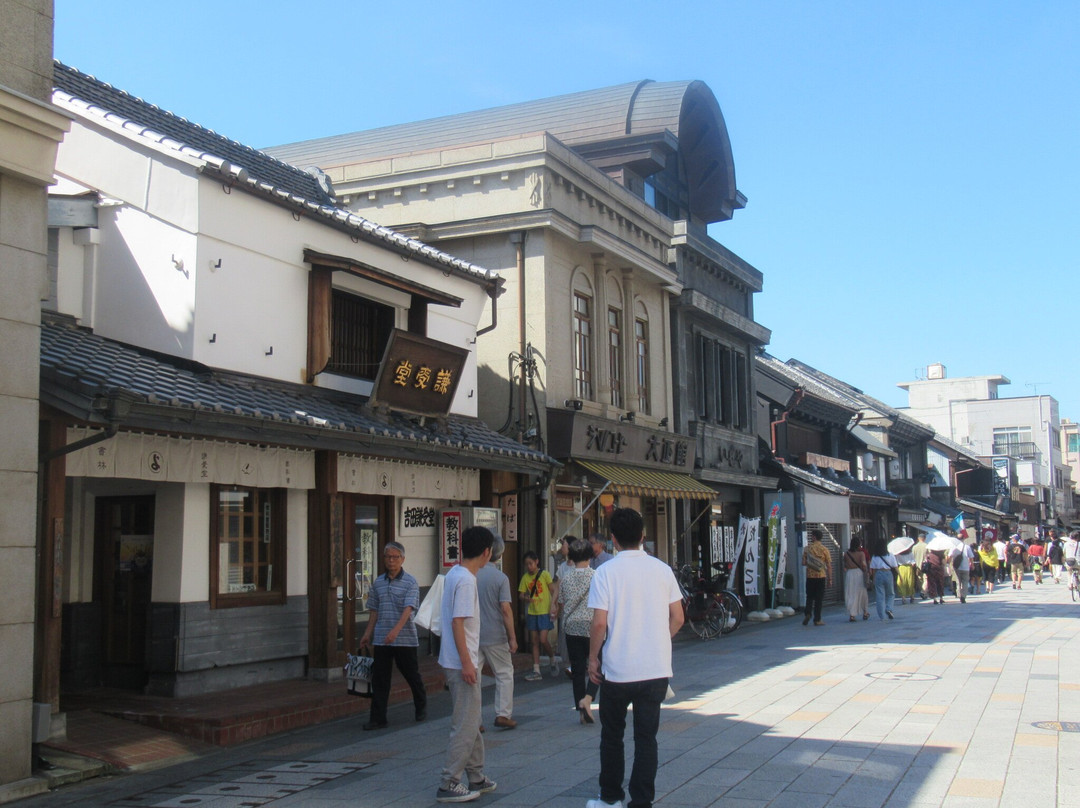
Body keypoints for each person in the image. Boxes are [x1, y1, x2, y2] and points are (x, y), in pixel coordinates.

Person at [586, 508, 683, 808]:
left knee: (612, 736)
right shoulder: (662, 570)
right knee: (646, 738)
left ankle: (611, 797)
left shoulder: (605, 572)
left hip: (618, 670)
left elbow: (599, 623)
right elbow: (678, 617)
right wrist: (657, 641)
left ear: (612, 539)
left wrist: (592, 659)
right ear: (643, 536)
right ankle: (642, 801)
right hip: (655, 671)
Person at [436, 526, 496, 803]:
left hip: (456, 660)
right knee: (465, 723)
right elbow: (457, 622)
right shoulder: (466, 580)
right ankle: (450, 781)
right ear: (486, 552)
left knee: (472, 719)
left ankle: (476, 775)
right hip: (461, 662)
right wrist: (468, 664)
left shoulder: (455, 575)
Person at [358, 541, 427, 731]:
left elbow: (408, 610)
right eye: (388, 557)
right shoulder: (378, 582)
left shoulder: (411, 582)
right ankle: (378, 718)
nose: (391, 560)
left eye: (395, 557)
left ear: (402, 559)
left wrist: (396, 631)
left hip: (404, 638)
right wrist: (367, 634)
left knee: (411, 674)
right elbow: (374, 610)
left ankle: (421, 705)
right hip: (381, 638)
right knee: (380, 678)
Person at [476, 534, 518, 731]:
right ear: (499, 555)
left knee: (473, 677)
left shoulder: (471, 574)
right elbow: (505, 609)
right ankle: (503, 713)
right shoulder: (501, 578)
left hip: (473, 634)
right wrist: (512, 637)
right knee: (504, 673)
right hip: (496, 634)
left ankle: (473, 720)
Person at [558, 536, 599, 724]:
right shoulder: (596, 576)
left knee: (577, 670)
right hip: (592, 626)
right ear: (589, 556)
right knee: (598, 665)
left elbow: (561, 602)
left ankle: (581, 712)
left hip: (571, 626)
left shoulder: (565, 578)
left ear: (572, 558)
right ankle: (588, 698)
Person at [518, 551, 555, 681]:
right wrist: (526, 598)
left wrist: (554, 606)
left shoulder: (544, 574)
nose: (529, 567)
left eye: (531, 563)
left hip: (544, 612)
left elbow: (552, 590)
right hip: (532, 612)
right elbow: (521, 594)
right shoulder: (525, 578)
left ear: (537, 562)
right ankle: (536, 669)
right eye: (527, 564)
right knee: (534, 641)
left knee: (543, 639)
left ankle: (552, 658)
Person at [550, 536, 574, 680]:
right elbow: (557, 587)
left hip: (577, 608)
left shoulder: (579, 565)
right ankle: (569, 663)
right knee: (565, 636)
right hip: (565, 607)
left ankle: (577, 664)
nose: (562, 547)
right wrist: (553, 603)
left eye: (564, 544)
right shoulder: (563, 566)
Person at [802, 528, 832, 626]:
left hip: (810, 576)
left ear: (814, 537)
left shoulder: (807, 548)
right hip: (821, 576)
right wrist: (830, 579)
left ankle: (807, 613)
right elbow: (829, 565)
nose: (811, 537)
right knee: (819, 599)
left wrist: (810, 563)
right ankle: (817, 619)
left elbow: (803, 563)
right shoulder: (825, 549)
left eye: (812, 536)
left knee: (809, 597)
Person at [868, 538, 898, 620]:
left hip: (878, 574)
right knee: (890, 593)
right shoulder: (890, 555)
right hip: (888, 573)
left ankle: (881, 616)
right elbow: (895, 566)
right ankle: (889, 609)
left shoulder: (875, 556)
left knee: (880, 595)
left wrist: (873, 579)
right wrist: (900, 576)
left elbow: (872, 569)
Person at [842, 537, 870, 622]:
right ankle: (865, 612)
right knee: (862, 593)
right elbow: (864, 565)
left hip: (850, 574)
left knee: (851, 594)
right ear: (858, 544)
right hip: (859, 574)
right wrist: (866, 572)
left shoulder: (846, 554)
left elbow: (845, 566)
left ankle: (852, 614)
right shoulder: (861, 553)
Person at [911, 533, 929, 600]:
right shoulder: (926, 546)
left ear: (918, 538)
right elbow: (929, 555)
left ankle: (922, 591)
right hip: (925, 566)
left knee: (919, 579)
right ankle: (923, 592)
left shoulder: (914, 547)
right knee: (926, 579)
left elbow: (912, 556)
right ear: (924, 538)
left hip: (917, 566)